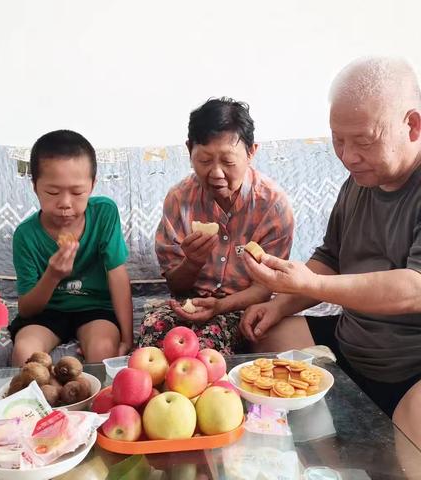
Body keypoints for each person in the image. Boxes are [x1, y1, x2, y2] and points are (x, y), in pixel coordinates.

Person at [239, 57, 421, 445]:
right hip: (352, 342)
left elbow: (414, 288)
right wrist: (280, 304)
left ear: (413, 125)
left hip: (411, 368)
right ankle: (327, 461)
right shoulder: (358, 182)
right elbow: (329, 259)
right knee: (266, 337)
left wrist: (313, 286)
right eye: (338, 139)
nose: (347, 155)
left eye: (364, 141)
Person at [138, 97, 294, 354]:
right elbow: (176, 286)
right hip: (190, 301)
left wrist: (221, 306)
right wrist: (192, 262)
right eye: (205, 160)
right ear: (189, 150)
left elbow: (265, 288)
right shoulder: (180, 199)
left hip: (241, 306)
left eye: (228, 162)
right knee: (154, 342)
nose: (216, 173)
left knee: (206, 350)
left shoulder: (272, 205)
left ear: (252, 152)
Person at [9, 130, 133, 366]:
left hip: (95, 308)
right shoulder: (26, 236)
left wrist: (128, 338)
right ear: (35, 186)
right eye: (53, 192)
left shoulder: (104, 214)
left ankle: (94, 404)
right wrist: (52, 275)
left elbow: (117, 274)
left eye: (77, 192)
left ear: (92, 185)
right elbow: (26, 309)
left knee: (104, 349)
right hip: (46, 312)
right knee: (25, 352)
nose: (65, 203)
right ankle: (32, 403)